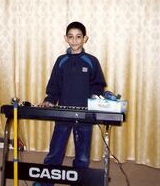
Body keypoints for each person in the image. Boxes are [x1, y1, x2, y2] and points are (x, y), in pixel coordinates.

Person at [34, 21, 107, 186]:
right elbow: (54, 86)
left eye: (78, 37)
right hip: (63, 114)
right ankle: (46, 181)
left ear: (85, 39)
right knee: (55, 151)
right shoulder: (61, 61)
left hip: (85, 115)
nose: (74, 40)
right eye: (71, 37)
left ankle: (79, 181)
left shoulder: (91, 61)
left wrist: (94, 99)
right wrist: (49, 100)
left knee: (82, 155)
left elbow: (98, 84)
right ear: (65, 38)